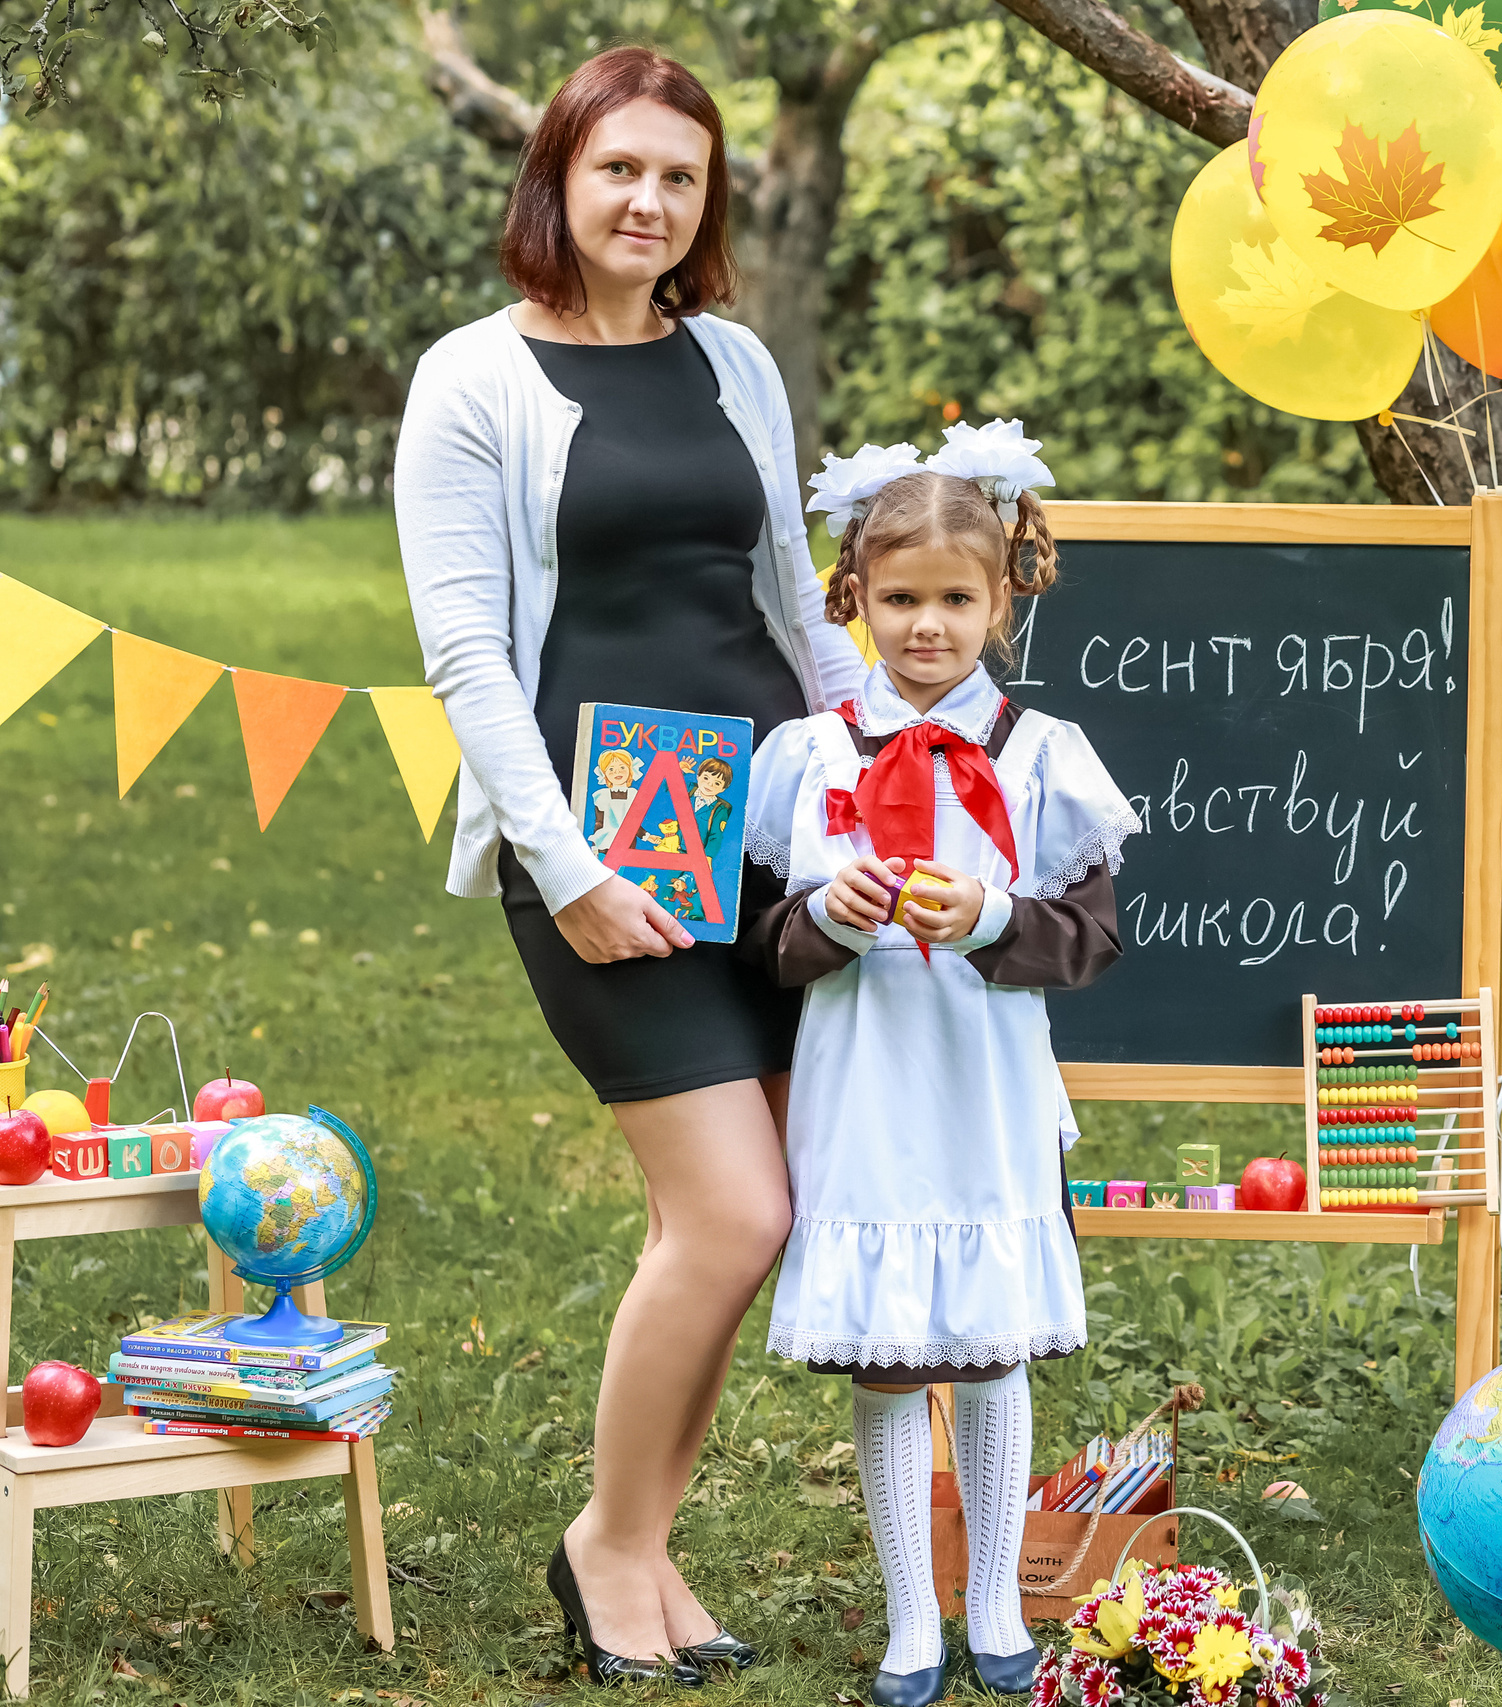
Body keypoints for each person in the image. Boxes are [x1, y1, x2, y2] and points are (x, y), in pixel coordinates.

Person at [392, 45, 867, 1690]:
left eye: (680, 175)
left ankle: (644, 1551)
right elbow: (464, 653)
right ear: (559, 182)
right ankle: (608, 1541)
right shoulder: (474, 381)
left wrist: (880, 782)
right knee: (730, 1214)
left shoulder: (733, 360)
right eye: (620, 171)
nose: (650, 200)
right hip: (612, 837)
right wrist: (571, 863)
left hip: (765, 833)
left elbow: (798, 606)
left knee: (769, 1208)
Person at [740, 422, 1136, 1705]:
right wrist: (827, 919)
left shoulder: (1040, 758)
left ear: (1001, 597)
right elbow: (768, 948)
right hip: (865, 1090)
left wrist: (986, 918)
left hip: (983, 1086)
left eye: (954, 600)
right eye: (899, 599)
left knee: (989, 1350)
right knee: (893, 1357)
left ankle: (995, 1608)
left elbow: (1088, 942)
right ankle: (913, 1616)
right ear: (853, 599)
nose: (926, 627)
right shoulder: (807, 760)